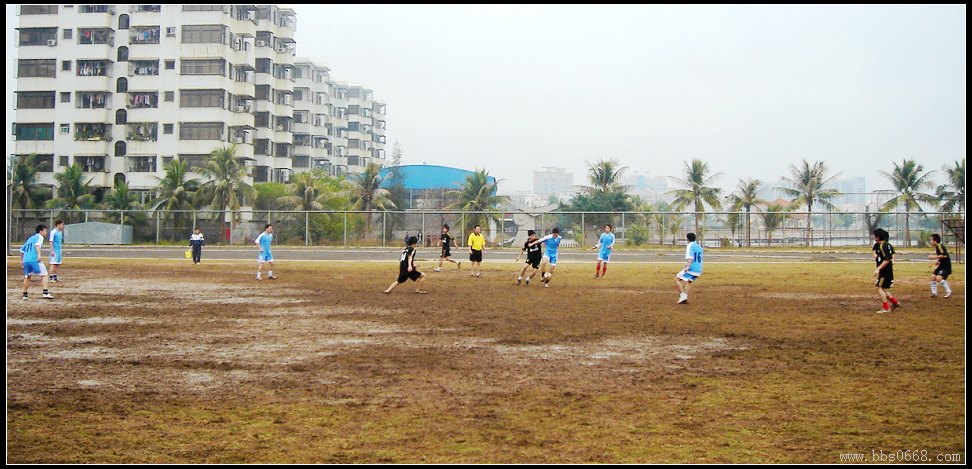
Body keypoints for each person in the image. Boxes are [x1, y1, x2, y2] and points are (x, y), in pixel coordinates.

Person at [21, 224, 54, 300]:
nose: (46, 232)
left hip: (26, 260)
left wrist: (22, 261)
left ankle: (25, 295)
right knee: (45, 275)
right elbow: (37, 245)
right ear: (40, 231)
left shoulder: (30, 238)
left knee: (27, 277)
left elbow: (22, 250)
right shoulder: (39, 237)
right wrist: (39, 255)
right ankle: (45, 293)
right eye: (45, 230)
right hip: (34, 259)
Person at [872, 228, 901, 314]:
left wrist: (878, 269)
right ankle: (895, 303)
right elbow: (891, 256)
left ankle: (886, 308)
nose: (874, 237)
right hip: (887, 271)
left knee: (878, 287)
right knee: (883, 288)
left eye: (875, 236)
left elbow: (887, 259)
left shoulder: (882, 246)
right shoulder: (887, 245)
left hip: (884, 272)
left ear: (878, 237)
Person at [675, 232, 703, 304]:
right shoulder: (699, 247)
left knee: (677, 279)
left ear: (687, 239)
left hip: (692, 267)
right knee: (689, 281)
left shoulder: (690, 245)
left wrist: (687, 266)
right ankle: (685, 297)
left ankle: (682, 296)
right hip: (698, 268)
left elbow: (691, 257)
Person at [928, 233, 952, 299]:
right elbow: (941, 255)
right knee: (933, 277)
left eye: (931, 240)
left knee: (938, 278)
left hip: (946, 266)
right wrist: (938, 260)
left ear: (935, 241)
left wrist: (933, 257)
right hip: (941, 265)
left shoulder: (939, 246)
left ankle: (948, 291)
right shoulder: (937, 247)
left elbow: (944, 255)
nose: (930, 241)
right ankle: (934, 293)